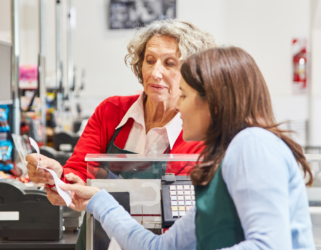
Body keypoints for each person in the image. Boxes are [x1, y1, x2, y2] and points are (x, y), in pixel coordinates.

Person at [58, 47, 315, 250]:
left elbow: (268, 246)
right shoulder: (224, 164)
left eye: (184, 96)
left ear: (213, 103)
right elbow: (158, 247)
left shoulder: (252, 145)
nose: (178, 107)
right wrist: (98, 200)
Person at [26, 19, 216, 249]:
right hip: (99, 241)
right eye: (150, 61)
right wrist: (57, 176)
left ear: (192, 74)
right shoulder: (111, 111)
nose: (156, 72)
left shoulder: (199, 131)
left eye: (169, 63)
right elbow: (77, 172)